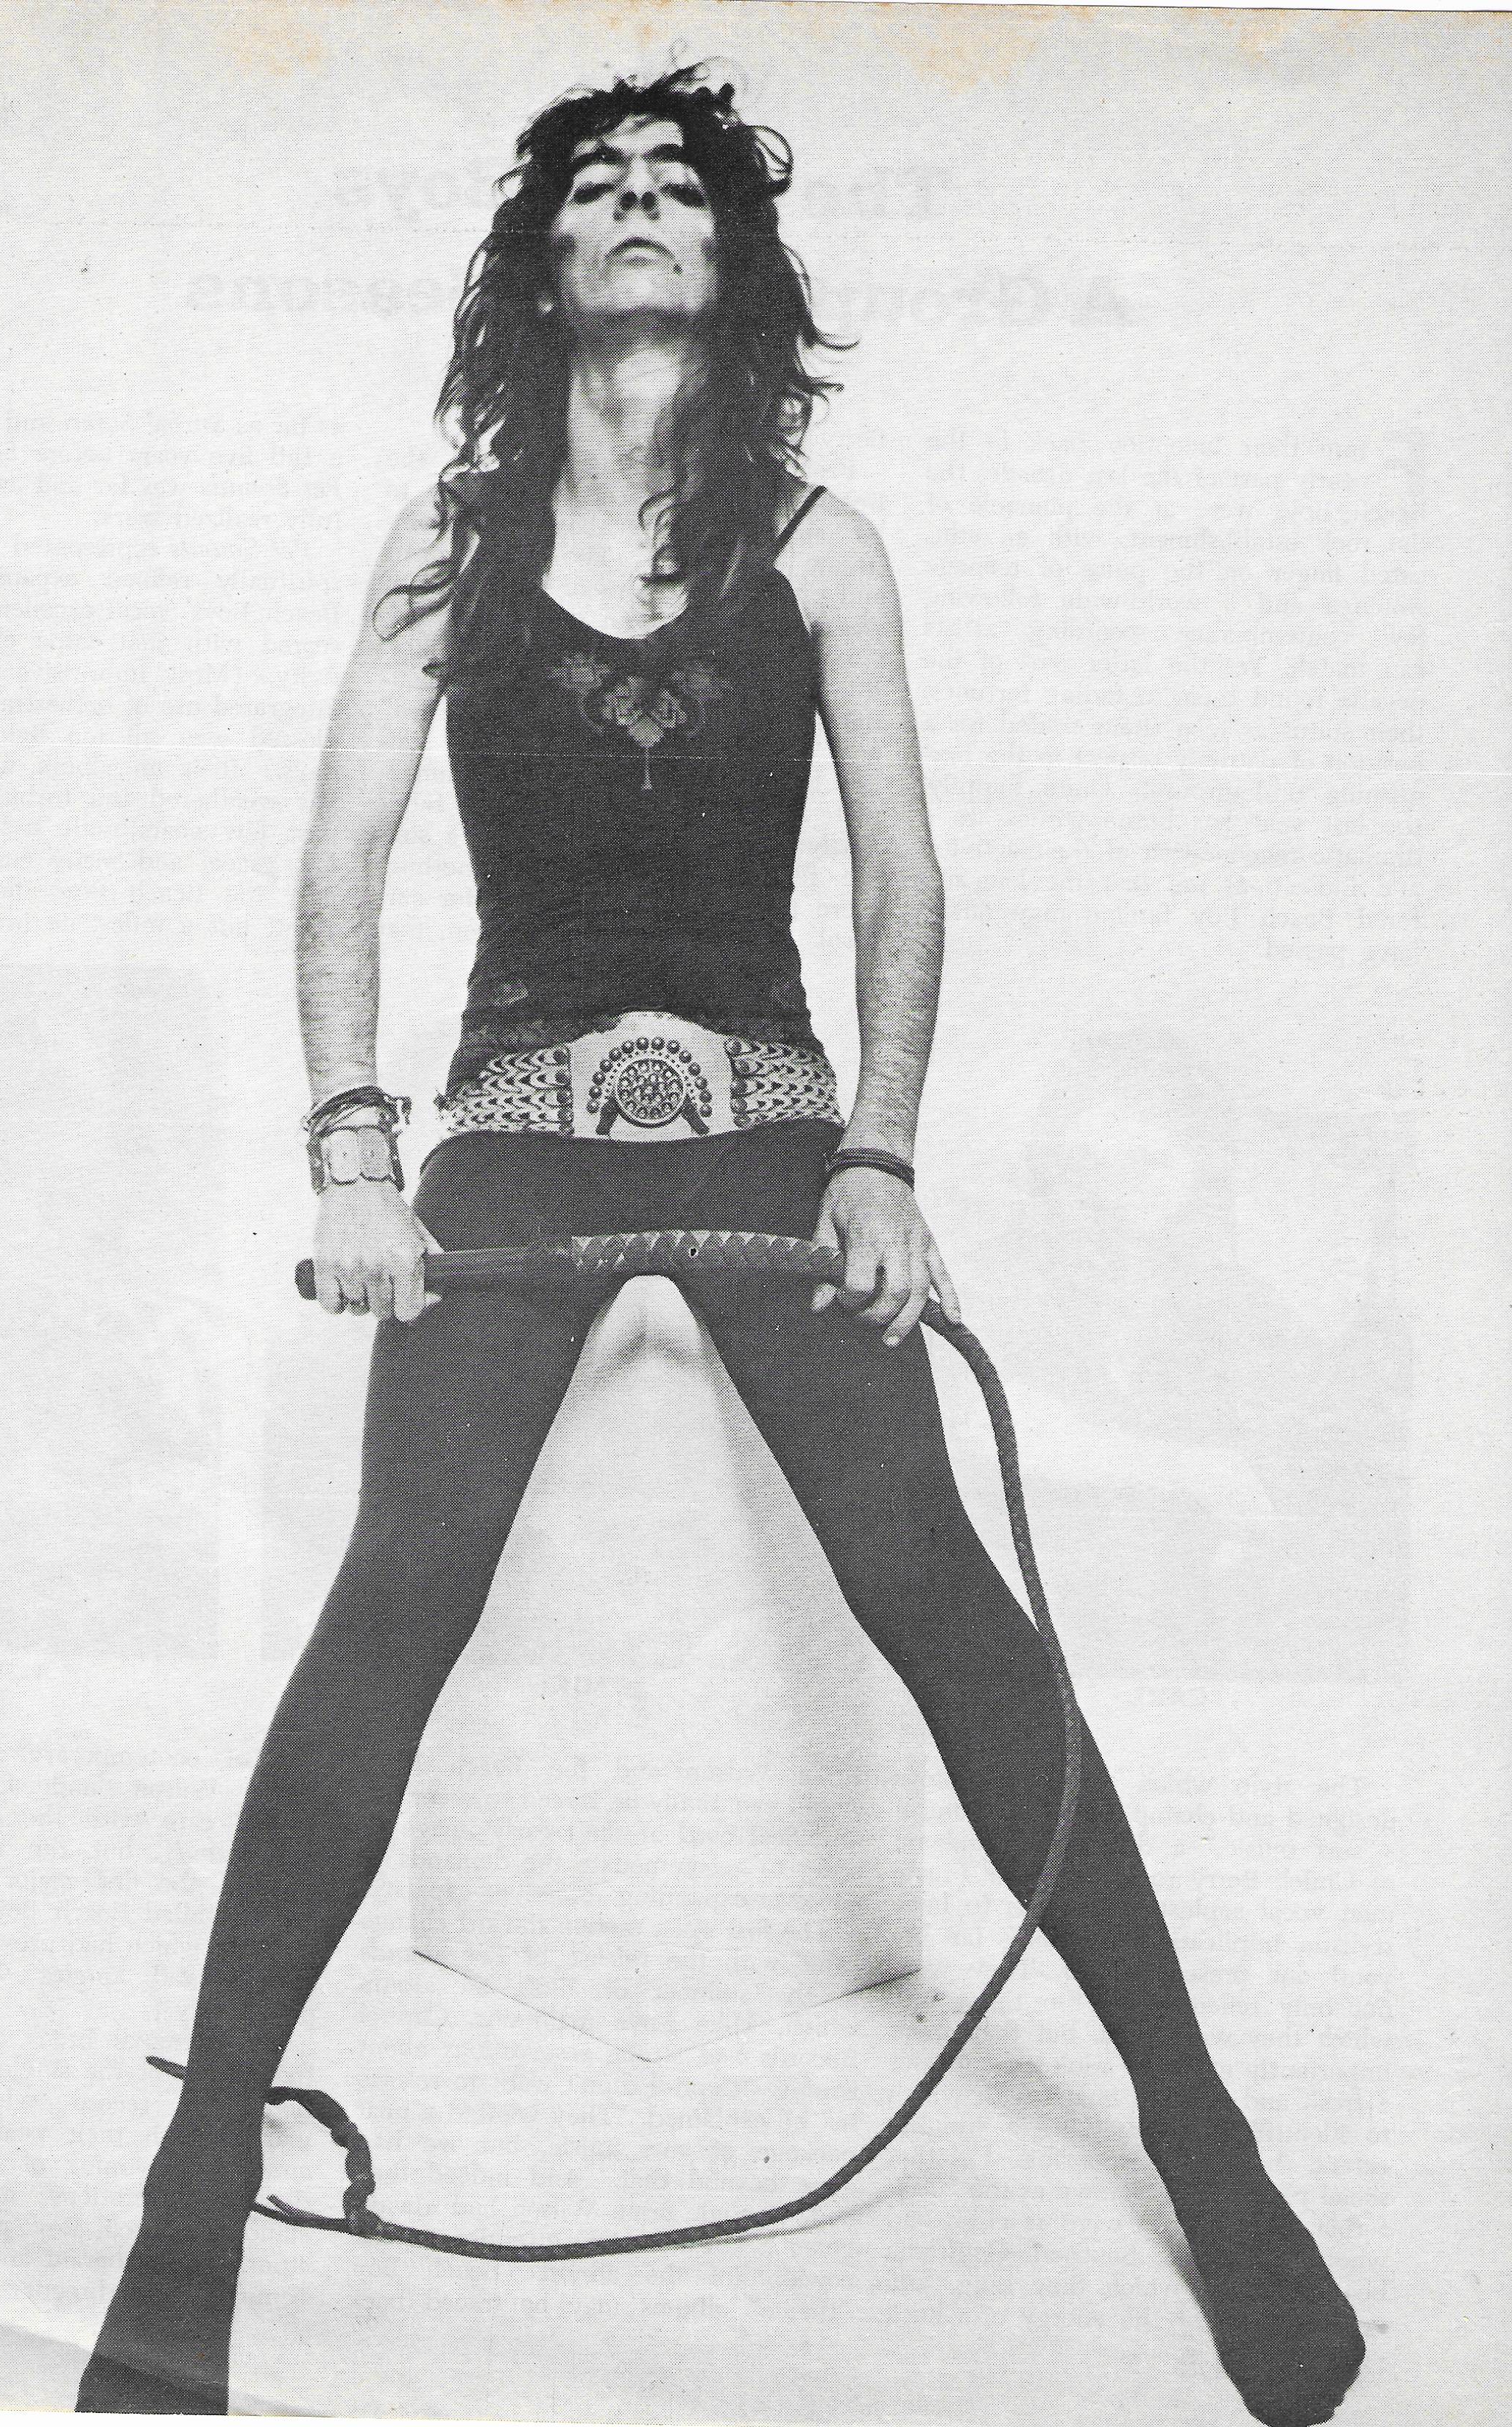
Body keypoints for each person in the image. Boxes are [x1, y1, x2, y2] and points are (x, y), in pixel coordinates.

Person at [77, 66, 1365, 2425]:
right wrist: (355, 1160)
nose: (643, 207)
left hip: (772, 1124)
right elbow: (340, 857)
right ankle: (194, 2178)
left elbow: (901, 869)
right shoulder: (441, 544)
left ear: (732, 263)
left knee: (940, 1594)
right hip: (515, 1132)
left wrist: (882, 1154)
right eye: (600, 186)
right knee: (397, 1594)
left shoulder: (825, 547)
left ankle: (1210, 2136)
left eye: (680, 185)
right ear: (544, 263)